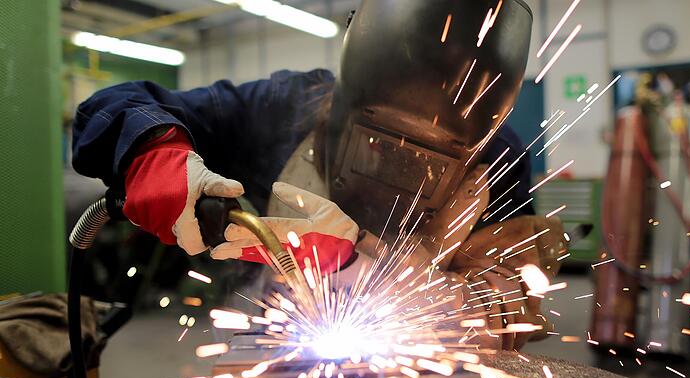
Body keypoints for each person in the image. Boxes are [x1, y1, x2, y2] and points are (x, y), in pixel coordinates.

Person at [72, 0, 563, 350]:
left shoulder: (496, 157)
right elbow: (116, 104)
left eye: (434, 157)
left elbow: (519, 285)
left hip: (427, 366)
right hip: (281, 345)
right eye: (379, 139)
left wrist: (475, 299)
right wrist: (154, 152)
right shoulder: (284, 106)